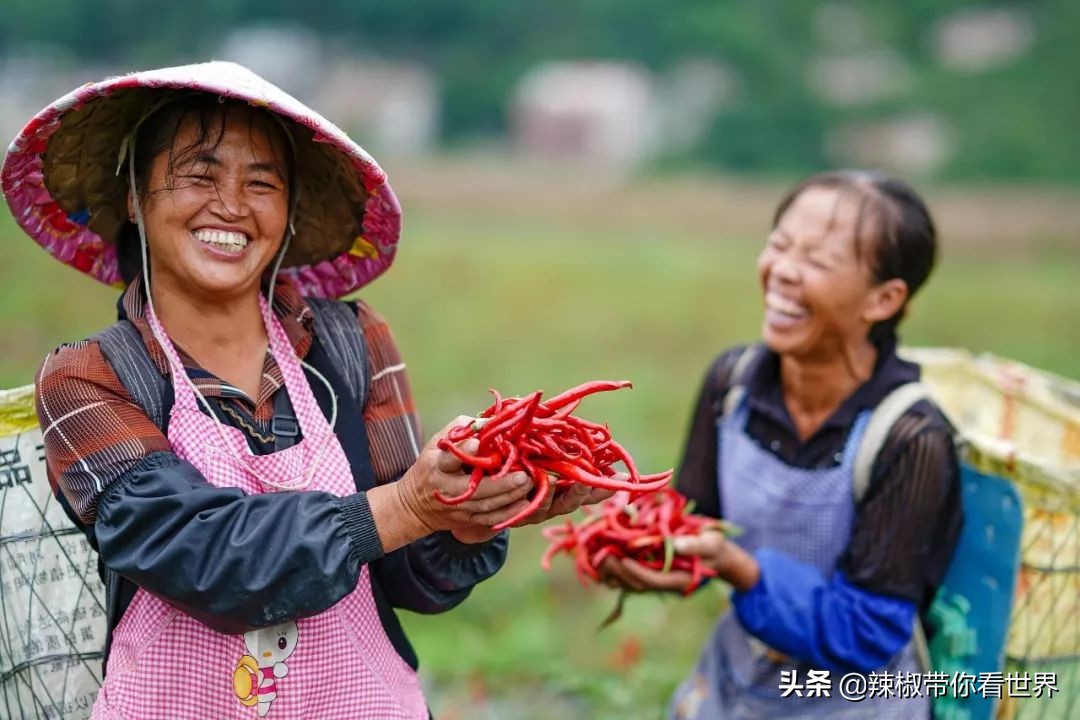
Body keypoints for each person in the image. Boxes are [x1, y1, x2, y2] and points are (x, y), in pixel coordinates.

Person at [4, 61, 599, 719]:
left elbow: (408, 578)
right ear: (137, 199)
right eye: (199, 175)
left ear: (288, 213)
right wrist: (409, 505)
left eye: (262, 183)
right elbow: (204, 559)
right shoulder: (88, 378)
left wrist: (465, 518)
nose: (231, 205)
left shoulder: (352, 344)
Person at [601, 171, 964, 719]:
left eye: (818, 261)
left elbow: (869, 633)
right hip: (735, 684)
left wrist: (740, 567)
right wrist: (636, 542)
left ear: (884, 299)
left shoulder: (911, 438)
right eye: (779, 245)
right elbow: (692, 525)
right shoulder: (733, 384)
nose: (782, 272)